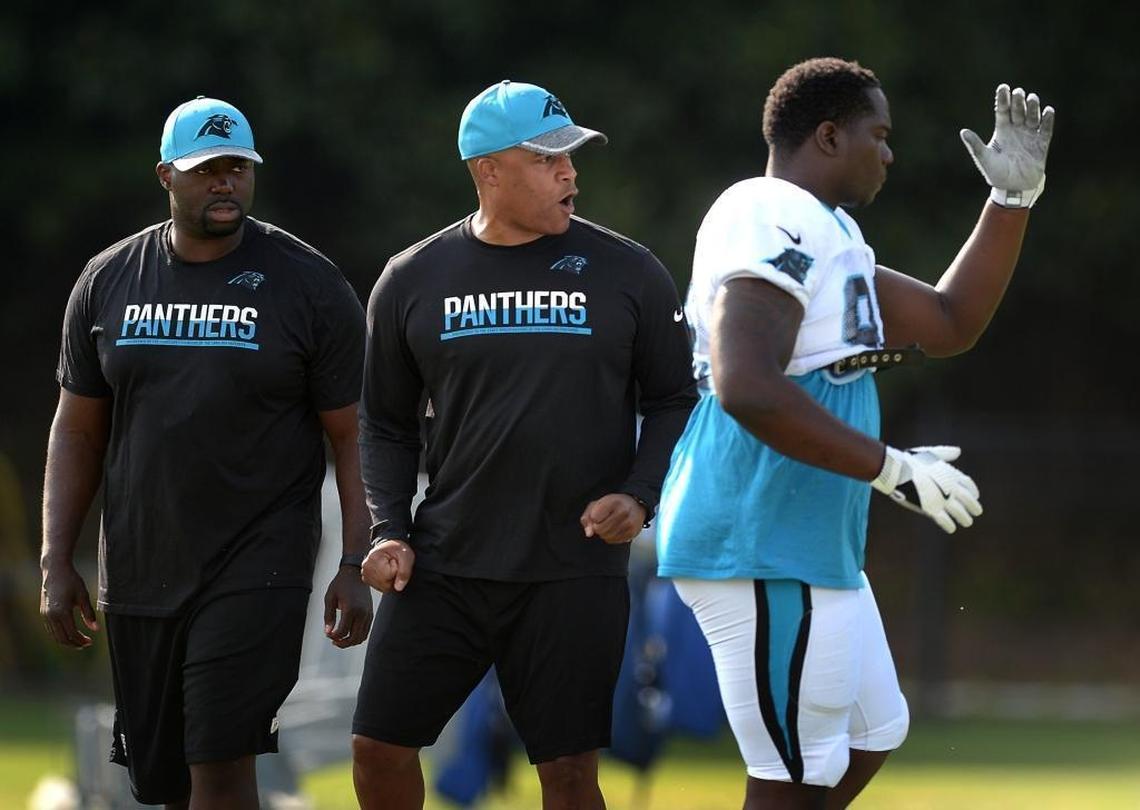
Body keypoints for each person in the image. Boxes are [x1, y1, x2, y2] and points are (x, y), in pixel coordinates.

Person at [655, 58, 1054, 809]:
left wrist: (1011, 199)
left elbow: (947, 321)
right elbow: (746, 383)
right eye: (880, 134)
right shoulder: (768, 210)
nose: (889, 152)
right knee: (793, 780)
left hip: (803, 537)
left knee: (873, 733)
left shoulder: (828, 229)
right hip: (760, 537)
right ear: (830, 136)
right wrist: (887, 466)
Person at [350, 79, 697, 810]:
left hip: (572, 568)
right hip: (445, 563)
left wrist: (639, 496)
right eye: (547, 159)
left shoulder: (628, 271)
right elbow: (384, 423)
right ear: (489, 171)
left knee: (568, 775)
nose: (570, 173)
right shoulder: (412, 279)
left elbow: (673, 400)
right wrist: (389, 529)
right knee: (378, 748)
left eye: (571, 157)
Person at [40, 96, 374, 809]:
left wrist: (353, 562)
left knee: (221, 762)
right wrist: (55, 556)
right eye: (206, 169)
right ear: (166, 175)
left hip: (261, 563)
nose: (225, 182)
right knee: (162, 781)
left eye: (237, 168)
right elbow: (77, 429)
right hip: (140, 566)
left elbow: (353, 437)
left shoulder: (309, 285)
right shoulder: (108, 281)